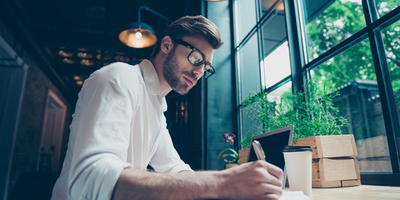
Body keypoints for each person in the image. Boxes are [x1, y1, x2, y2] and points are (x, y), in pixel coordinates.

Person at [51, 15, 283, 200]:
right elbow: (92, 179)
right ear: (167, 44)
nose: (200, 71)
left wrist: (228, 189)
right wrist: (222, 183)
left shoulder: (157, 107)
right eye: (196, 57)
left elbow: (174, 167)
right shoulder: (119, 77)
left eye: (206, 67)